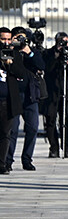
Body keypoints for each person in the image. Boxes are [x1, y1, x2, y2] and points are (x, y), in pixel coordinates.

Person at [4, 27, 43, 171]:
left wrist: (29, 52)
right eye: (17, 38)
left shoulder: (31, 52)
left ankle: (27, 159)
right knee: (12, 130)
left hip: (30, 95)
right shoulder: (9, 52)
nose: (20, 41)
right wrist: (11, 48)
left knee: (32, 128)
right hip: (13, 95)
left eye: (23, 38)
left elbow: (41, 65)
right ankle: (7, 160)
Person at [44, 32, 68, 159]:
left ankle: (67, 148)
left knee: (65, 121)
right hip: (51, 93)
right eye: (61, 41)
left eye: (65, 42)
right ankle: (53, 148)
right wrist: (57, 56)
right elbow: (47, 69)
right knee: (50, 121)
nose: (63, 44)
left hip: (66, 91)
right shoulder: (49, 53)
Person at [0, 28, 26, 174]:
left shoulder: (14, 54)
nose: (6, 42)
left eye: (8, 39)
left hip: (8, 100)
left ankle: (2, 163)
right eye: (3, 39)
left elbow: (21, 73)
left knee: (6, 133)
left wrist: (10, 63)